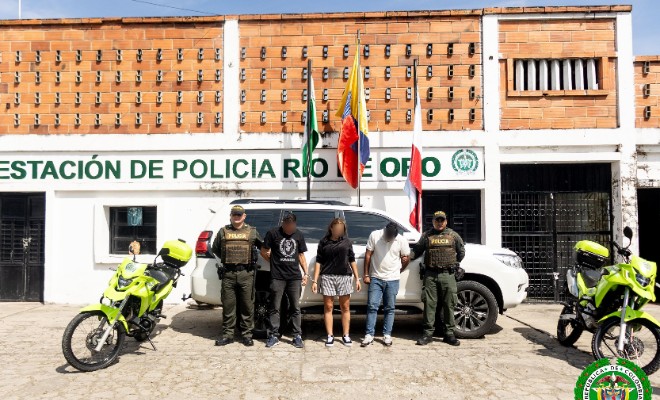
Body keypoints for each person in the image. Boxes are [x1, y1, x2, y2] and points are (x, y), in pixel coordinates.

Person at [410, 211, 465, 347]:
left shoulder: (453, 235)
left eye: (442, 220)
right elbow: (416, 251)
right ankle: (428, 334)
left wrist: (453, 264)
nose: (439, 223)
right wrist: (403, 256)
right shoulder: (427, 236)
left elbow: (461, 252)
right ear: (433, 222)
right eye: (437, 220)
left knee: (449, 304)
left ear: (446, 221)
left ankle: (449, 334)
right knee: (429, 305)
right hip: (431, 275)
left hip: (447, 275)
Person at [212, 205, 263, 347]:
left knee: (247, 306)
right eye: (234, 214)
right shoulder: (223, 231)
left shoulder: (252, 231)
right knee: (228, 306)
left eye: (239, 214)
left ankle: (247, 335)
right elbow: (215, 248)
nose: (236, 217)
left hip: (246, 274)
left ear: (244, 216)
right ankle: (228, 335)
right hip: (228, 274)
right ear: (230, 216)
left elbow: (263, 246)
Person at [261, 212, 309, 349]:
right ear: (283, 223)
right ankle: (273, 335)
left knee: (295, 307)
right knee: (274, 307)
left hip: (294, 277)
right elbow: (263, 251)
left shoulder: (299, 235)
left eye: (292, 226)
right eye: (287, 226)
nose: (289, 229)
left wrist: (306, 273)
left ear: (295, 224)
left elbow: (301, 255)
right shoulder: (273, 233)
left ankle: (297, 336)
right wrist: (272, 261)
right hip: (277, 277)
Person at [311, 218, 361, 347]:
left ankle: (346, 335)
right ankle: (330, 335)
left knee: (345, 307)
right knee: (328, 307)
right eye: (337, 229)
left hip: (344, 277)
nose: (339, 231)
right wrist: (315, 281)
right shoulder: (323, 242)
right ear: (331, 228)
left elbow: (352, 260)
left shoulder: (347, 242)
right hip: (327, 277)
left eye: (341, 229)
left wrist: (357, 278)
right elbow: (319, 262)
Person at [361, 222, 410, 347]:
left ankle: (387, 335)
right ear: (385, 231)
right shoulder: (375, 235)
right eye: (388, 236)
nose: (389, 239)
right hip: (376, 277)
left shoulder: (401, 240)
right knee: (372, 306)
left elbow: (406, 257)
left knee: (390, 308)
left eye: (392, 238)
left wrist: (399, 270)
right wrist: (366, 274)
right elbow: (368, 254)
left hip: (393, 279)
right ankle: (369, 335)